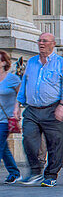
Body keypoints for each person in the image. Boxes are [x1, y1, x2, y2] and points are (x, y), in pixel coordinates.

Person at [16, 32, 63, 187]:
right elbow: (24, 85)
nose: (41, 43)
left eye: (45, 41)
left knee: (55, 143)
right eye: (39, 41)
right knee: (28, 138)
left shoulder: (61, 63)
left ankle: (51, 175)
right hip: (32, 110)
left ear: (53, 44)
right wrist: (18, 104)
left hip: (53, 109)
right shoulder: (32, 62)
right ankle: (35, 171)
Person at [0, 50, 22, 184]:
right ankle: (14, 172)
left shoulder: (12, 79)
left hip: (5, 119)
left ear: (3, 62)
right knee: (4, 148)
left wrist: (17, 109)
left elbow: (20, 96)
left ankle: (14, 172)